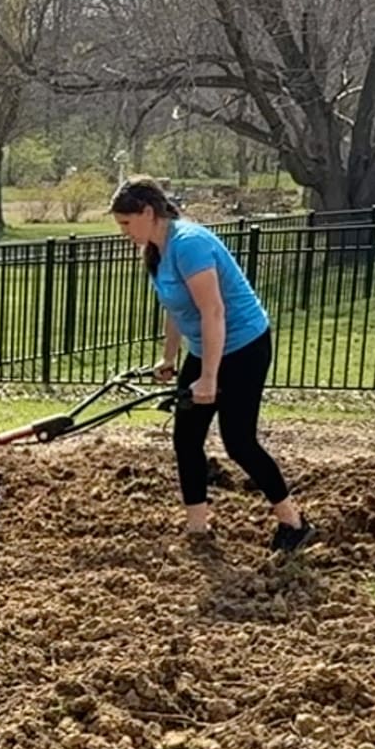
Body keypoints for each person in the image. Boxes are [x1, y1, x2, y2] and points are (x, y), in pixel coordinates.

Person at [110, 175, 315, 553]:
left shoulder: (190, 245)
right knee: (186, 437)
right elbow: (176, 306)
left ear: (148, 212)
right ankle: (198, 528)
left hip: (243, 346)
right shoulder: (155, 250)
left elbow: (213, 310)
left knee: (239, 441)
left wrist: (208, 378)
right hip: (206, 347)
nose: (124, 231)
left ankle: (294, 522)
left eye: (126, 223)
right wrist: (169, 358)